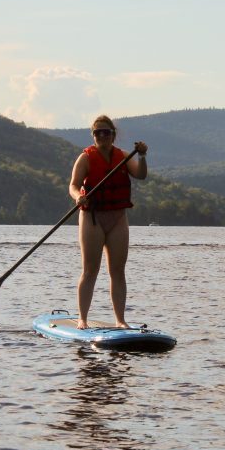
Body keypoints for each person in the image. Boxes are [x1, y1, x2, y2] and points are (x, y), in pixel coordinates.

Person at [68, 116, 148, 329]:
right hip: (92, 217)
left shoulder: (122, 156)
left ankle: (120, 321)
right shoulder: (85, 158)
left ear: (113, 134)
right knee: (90, 269)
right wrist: (78, 197)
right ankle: (82, 319)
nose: (102, 136)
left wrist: (142, 156)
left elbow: (140, 174)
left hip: (117, 217)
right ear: (93, 136)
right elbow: (74, 185)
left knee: (117, 270)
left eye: (106, 132)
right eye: (98, 133)